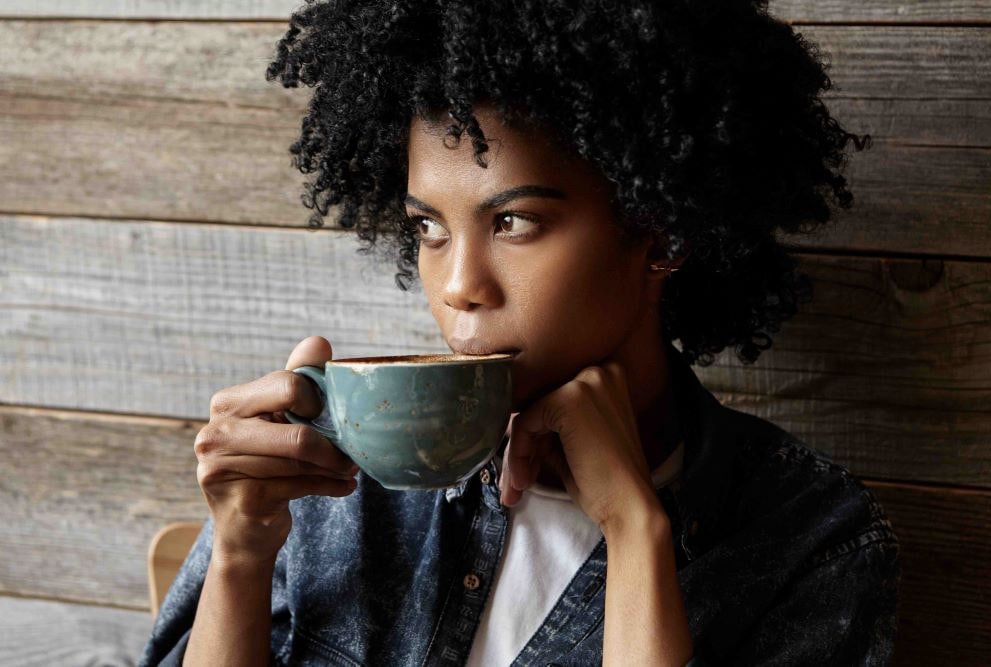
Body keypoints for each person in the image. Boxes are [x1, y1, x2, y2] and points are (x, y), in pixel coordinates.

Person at [140, 0, 900, 665]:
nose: (459, 284)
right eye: (429, 227)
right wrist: (240, 551)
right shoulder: (327, 475)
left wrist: (636, 532)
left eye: (514, 221)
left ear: (662, 233)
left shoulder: (809, 538)